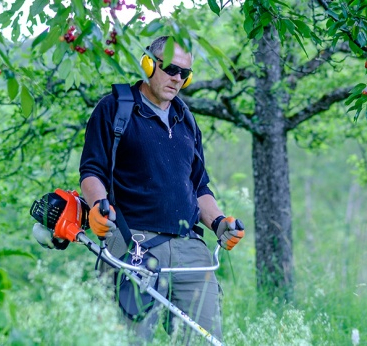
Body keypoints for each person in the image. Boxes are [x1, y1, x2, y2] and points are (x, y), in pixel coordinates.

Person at [79, 35, 245, 342]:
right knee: (130, 339)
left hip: (190, 249)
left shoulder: (186, 120)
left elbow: (199, 186)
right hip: (134, 246)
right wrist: (99, 207)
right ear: (148, 64)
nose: (177, 78)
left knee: (206, 338)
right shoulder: (115, 108)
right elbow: (92, 171)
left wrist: (220, 222)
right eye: (170, 68)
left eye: (185, 73)